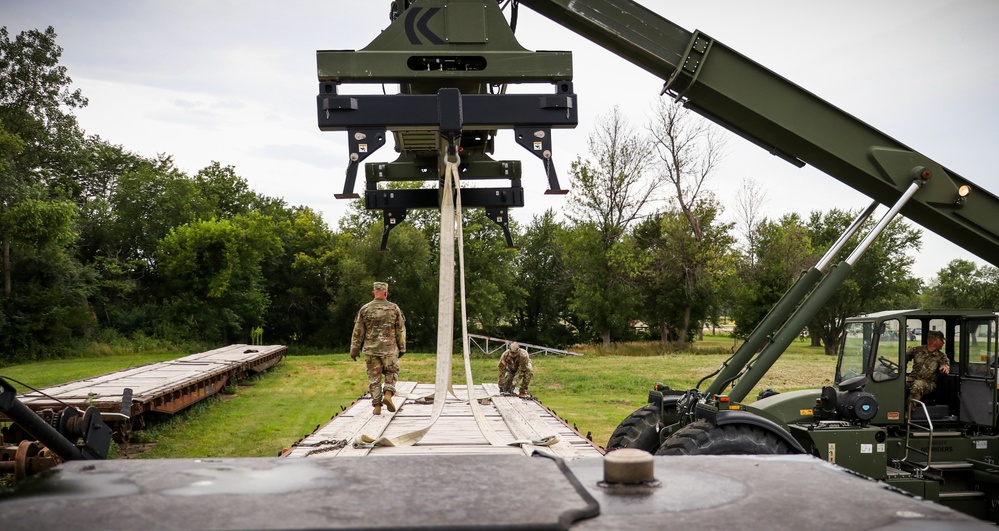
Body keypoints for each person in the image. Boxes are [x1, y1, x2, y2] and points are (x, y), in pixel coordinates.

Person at [350, 281, 406, 415]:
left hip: (371, 350)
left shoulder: (365, 309)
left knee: (374, 378)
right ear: (386, 293)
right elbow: (400, 329)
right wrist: (402, 347)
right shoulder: (394, 308)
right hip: (389, 349)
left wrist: (354, 350)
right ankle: (388, 394)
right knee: (391, 372)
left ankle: (377, 406)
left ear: (374, 293)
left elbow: (358, 332)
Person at [905, 329, 949, 405]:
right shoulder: (916, 350)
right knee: (896, 382)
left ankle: (908, 411)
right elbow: (903, 358)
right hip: (912, 378)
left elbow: (945, 365)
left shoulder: (941, 356)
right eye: (942, 340)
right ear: (935, 341)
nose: (943, 343)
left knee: (917, 385)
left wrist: (944, 368)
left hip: (928, 383)